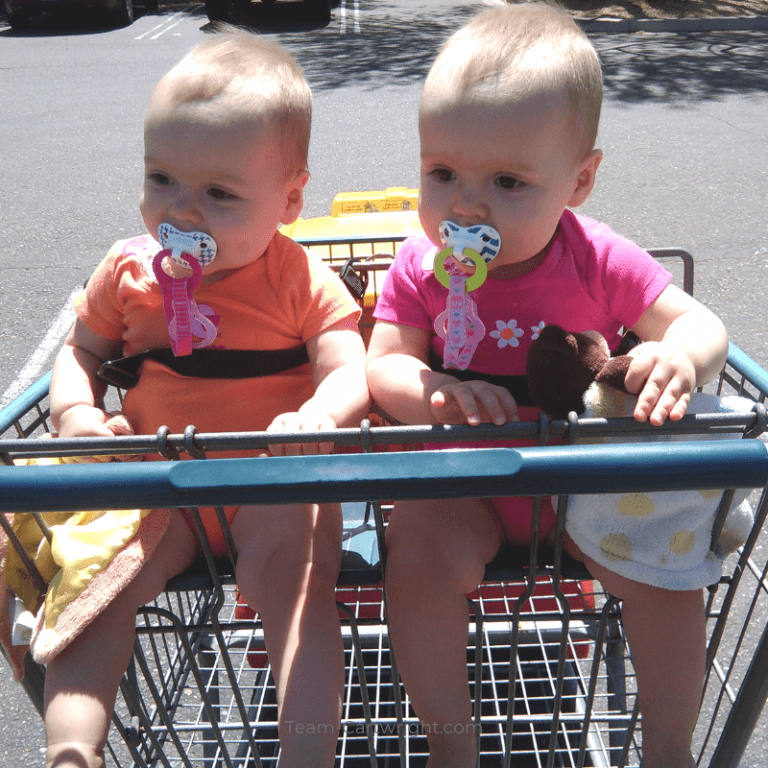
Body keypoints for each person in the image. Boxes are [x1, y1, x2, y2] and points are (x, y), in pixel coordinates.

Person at [365, 5, 728, 768]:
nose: (465, 205)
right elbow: (384, 364)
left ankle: (667, 743)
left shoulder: (597, 258)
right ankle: (450, 743)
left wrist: (679, 359)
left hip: (583, 482)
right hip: (467, 481)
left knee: (666, 586)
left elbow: (699, 324)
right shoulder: (415, 265)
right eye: (442, 174)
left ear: (580, 180)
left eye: (506, 181)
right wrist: (433, 388)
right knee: (417, 565)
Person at [45, 28, 369, 768]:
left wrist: (319, 414)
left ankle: (307, 756)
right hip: (160, 482)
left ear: (289, 201)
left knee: (299, 611)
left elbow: (352, 366)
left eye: (220, 194)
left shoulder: (300, 278)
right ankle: (72, 748)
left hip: (272, 481)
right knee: (96, 591)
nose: (181, 212)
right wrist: (76, 412)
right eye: (162, 180)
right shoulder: (128, 270)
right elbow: (83, 351)